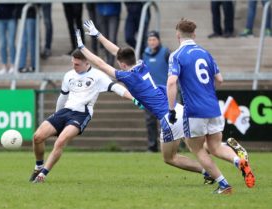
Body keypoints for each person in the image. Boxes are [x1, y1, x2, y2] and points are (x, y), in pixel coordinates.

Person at [76, 20, 215, 183]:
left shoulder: (127, 76)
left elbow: (101, 63)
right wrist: (98, 35)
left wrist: (82, 48)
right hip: (179, 108)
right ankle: (225, 149)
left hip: (168, 117)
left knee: (170, 158)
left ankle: (206, 171)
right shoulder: (142, 64)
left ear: (121, 64)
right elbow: (119, 52)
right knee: (197, 146)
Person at [166, 18, 255, 194]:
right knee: (215, 147)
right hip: (213, 107)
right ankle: (239, 161)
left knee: (197, 149)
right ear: (194, 34)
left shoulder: (176, 55)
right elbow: (220, 79)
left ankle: (224, 185)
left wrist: (171, 109)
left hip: (194, 110)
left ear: (178, 35)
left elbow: (171, 83)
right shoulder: (206, 53)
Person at [29, 49, 134, 183]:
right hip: (65, 111)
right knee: (37, 137)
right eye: (73, 63)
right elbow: (63, 97)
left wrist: (133, 98)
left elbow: (116, 88)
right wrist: (56, 115)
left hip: (81, 114)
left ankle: (42, 176)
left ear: (87, 63)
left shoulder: (98, 76)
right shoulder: (69, 75)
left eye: (77, 64)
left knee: (60, 141)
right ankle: (38, 166)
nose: (74, 67)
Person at [142, 30, 170, 152]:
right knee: (150, 121)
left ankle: (172, 145)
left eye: (154, 39)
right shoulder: (145, 54)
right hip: (150, 93)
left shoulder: (166, 53)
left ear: (158, 40)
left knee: (169, 120)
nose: (152, 42)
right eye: (149, 40)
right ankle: (152, 146)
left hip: (165, 92)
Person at [0, 3, 17, 74]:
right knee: (2, 43)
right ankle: (4, 66)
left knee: (11, 43)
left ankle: (13, 65)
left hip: (11, 17)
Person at [17, 4, 37, 73]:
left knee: (32, 42)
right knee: (23, 41)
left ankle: (34, 65)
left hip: (31, 14)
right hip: (21, 14)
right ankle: (22, 65)